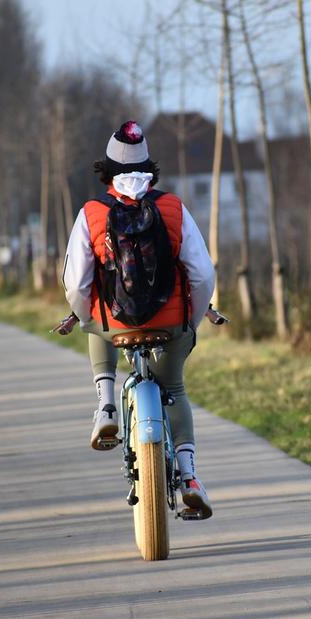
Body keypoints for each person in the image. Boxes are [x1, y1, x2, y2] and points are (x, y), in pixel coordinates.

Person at [62, 120, 216, 519]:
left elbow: (76, 284)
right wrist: (191, 319)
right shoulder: (173, 208)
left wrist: (85, 315)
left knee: (92, 318)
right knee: (174, 388)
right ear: (149, 166)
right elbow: (202, 275)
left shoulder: (92, 213)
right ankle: (190, 476)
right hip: (171, 323)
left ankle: (106, 405)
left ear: (107, 169)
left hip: (116, 327)